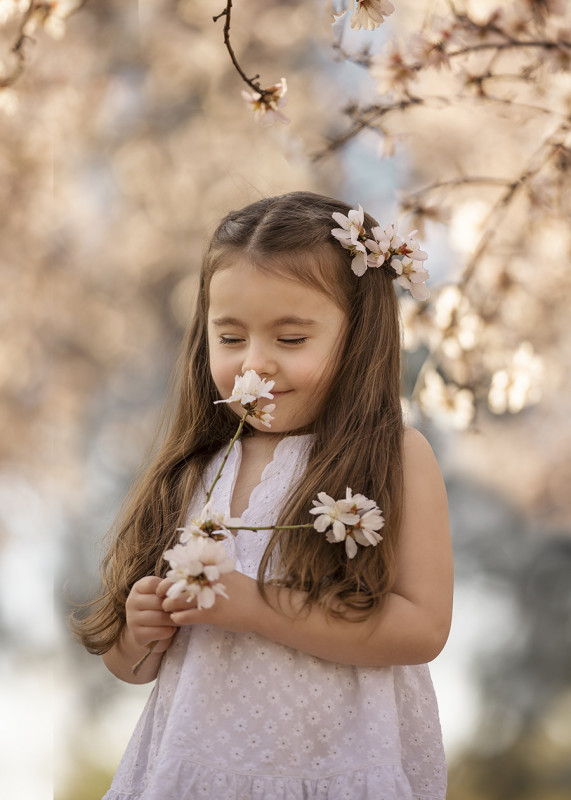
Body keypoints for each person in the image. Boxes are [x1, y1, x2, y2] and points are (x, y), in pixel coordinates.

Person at [71, 191, 453, 799]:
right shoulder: (194, 473)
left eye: (292, 339)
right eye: (230, 339)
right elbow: (134, 669)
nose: (256, 364)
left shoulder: (397, 458)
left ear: (358, 339)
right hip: (195, 770)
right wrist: (137, 633)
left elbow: (423, 628)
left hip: (333, 768)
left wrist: (259, 608)